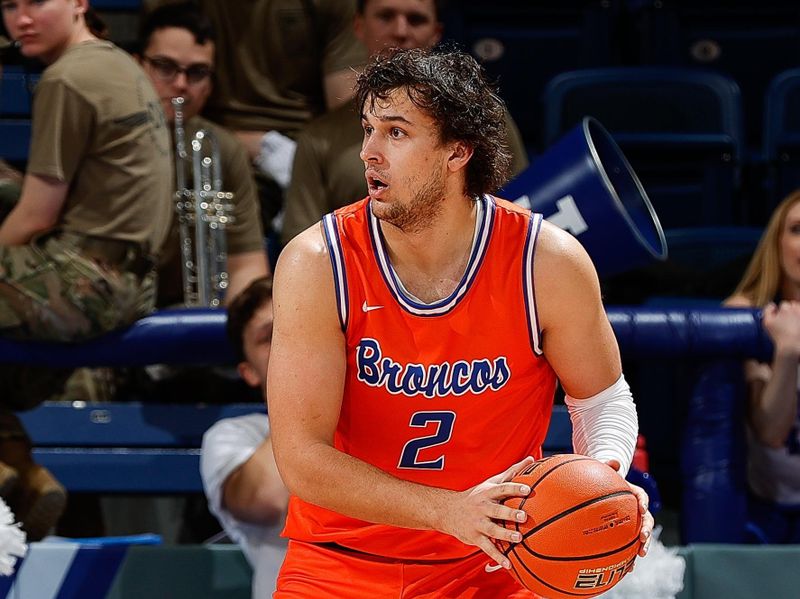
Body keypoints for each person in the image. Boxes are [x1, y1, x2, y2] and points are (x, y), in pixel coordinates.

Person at [268, 47, 653, 597]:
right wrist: (448, 511)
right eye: (368, 129)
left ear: (458, 151)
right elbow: (302, 459)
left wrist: (600, 482)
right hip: (341, 562)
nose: (368, 153)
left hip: (494, 561)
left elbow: (602, 398)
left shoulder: (546, 260)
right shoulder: (317, 261)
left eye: (395, 133)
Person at [0, 0, 172, 541]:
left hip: (86, 279)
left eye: (35, 3)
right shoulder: (117, 62)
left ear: (78, 3)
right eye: (9, 6)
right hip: (130, 280)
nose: (20, 19)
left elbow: (35, 216)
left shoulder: (67, 79)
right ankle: (20, 469)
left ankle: (13, 465)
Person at [281, 0, 529, 245]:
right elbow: (307, 249)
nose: (400, 32)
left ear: (436, 33)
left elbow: (519, 208)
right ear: (359, 26)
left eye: (416, 20)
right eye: (386, 17)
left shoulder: (480, 118)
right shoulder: (318, 139)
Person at [144, 0, 368, 245]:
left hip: (302, 145)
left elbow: (348, 115)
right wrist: (252, 145)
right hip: (204, 138)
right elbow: (171, 68)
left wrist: (298, 152)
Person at [136, 1, 268, 306]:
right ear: (137, 65)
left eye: (197, 72)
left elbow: (247, 265)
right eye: (165, 67)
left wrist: (222, 329)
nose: (181, 84)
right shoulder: (107, 137)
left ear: (210, 84)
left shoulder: (221, 148)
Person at [200, 275, 289, 597]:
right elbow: (266, 500)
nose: (290, 340)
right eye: (270, 337)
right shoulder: (234, 436)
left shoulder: (383, 415)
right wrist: (300, 387)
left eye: (299, 324)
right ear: (248, 372)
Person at [726, 190, 800, 544]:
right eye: (797, 229)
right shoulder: (746, 314)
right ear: (777, 242)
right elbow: (770, 431)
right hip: (764, 510)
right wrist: (787, 352)